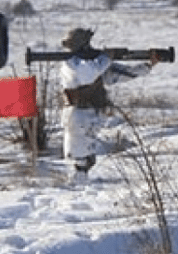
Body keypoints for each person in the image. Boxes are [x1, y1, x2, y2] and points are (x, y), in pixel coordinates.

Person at [57, 27, 158, 179]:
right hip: (77, 114)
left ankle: (81, 188)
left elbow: (121, 74)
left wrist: (148, 65)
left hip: (90, 115)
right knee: (79, 159)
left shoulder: (95, 63)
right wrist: (106, 58)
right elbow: (88, 75)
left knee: (88, 158)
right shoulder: (71, 64)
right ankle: (75, 191)